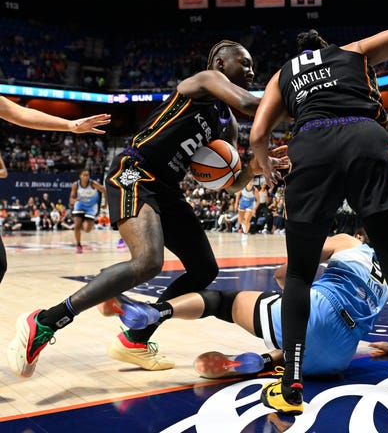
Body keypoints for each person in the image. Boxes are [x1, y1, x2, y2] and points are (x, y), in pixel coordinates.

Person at [7, 41, 288, 377]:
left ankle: (136, 339)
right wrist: (300, 97)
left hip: (166, 187)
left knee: (204, 269)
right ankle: (45, 321)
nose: (251, 71)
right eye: (244, 63)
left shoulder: (225, 125)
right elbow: (250, 103)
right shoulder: (203, 81)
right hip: (134, 171)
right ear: (219, 62)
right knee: (148, 261)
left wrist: (251, 171)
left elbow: (229, 183)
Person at [249, 25, 388, 429]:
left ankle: (291, 388)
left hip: (311, 148)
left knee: (299, 275)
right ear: (328, 48)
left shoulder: (283, 74)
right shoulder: (353, 51)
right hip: (365, 139)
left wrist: (266, 164)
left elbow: (257, 135)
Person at [98, 232, 388, 379]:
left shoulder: (349, 241)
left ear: (363, 234)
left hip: (314, 313)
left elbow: (284, 272)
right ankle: (264, 361)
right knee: (301, 345)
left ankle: (155, 312)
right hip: (335, 361)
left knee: (222, 302)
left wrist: (287, 293)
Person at [0, 96, 110, 283]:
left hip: (90, 209)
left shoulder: (92, 184)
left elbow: (21, 113)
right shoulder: (76, 185)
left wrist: (70, 125)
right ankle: (78, 242)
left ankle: (80, 240)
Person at [69, 169, 107, 253]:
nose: (86, 177)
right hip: (80, 205)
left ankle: (83, 223)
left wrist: (105, 204)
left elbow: (104, 190)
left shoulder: (93, 184)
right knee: (77, 225)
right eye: (84, 175)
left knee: (87, 229)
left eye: (87, 175)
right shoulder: (76, 185)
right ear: (80, 176)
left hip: (91, 207)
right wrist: (74, 200)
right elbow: (71, 198)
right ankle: (78, 245)